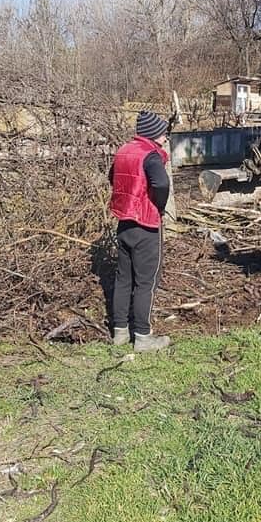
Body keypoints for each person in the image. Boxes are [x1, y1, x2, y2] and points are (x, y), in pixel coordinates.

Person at [109, 110, 172, 352]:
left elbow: (113, 178)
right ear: (153, 134)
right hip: (146, 225)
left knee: (123, 279)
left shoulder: (124, 151)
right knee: (146, 282)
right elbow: (162, 183)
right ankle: (143, 337)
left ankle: (120, 332)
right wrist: (159, 206)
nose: (165, 138)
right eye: (163, 133)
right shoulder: (151, 156)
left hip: (124, 223)